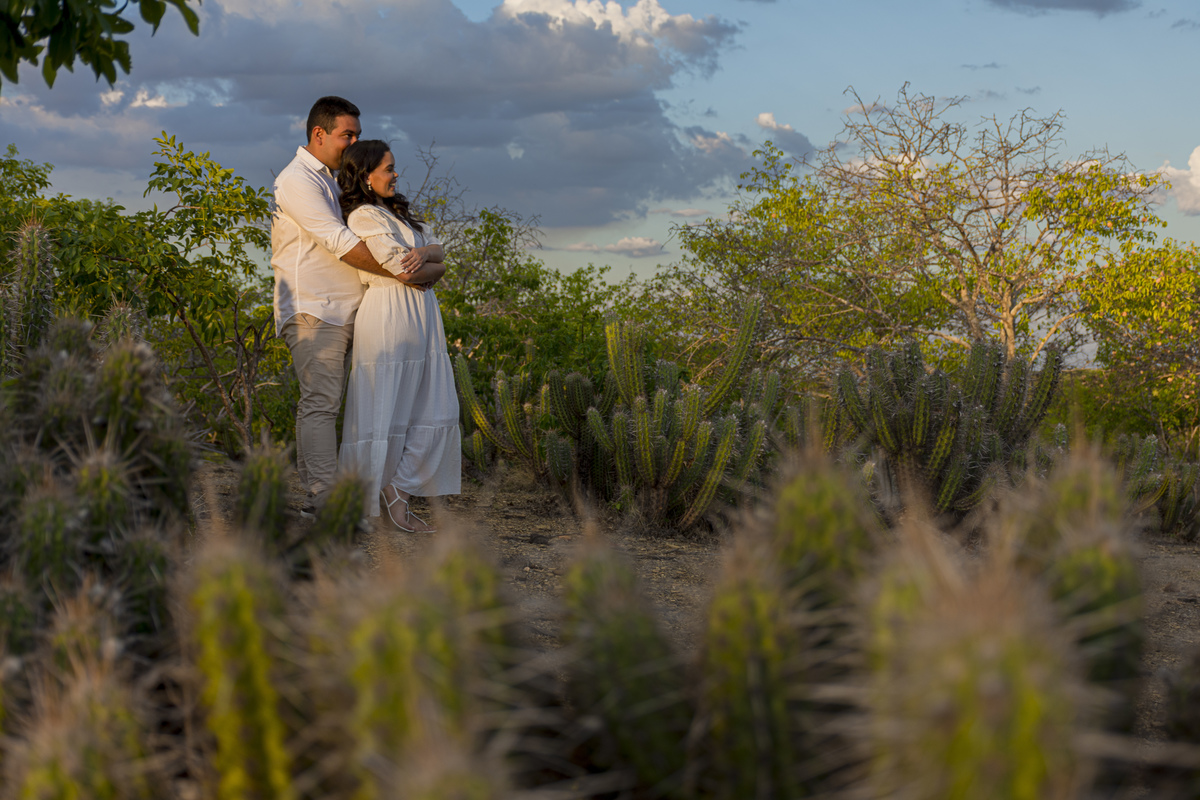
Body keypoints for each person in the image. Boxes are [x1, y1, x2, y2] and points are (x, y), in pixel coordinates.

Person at [272, 97, 425, 514]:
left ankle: (356, 491)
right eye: (347, 135)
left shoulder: (333, 181)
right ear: (318, 134)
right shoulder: (297, 180)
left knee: (355, 404)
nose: (353, 142)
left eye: (356, 134)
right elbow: (339, 243)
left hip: (352, 309)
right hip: (313, 308)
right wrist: (406, 273)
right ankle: (325, 498)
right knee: (321, 403)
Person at [335, 140, 461, 531]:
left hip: (423, 315)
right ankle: (377, 500)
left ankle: (398, 489)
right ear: (367, 177)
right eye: (388, 168)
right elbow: (403, 272)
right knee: (385, 407)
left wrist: (427, 257)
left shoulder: (398, 215)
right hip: (390, 313)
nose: (395, 174)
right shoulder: (364, 217)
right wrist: (429, 265)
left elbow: (438, 255)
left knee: (435, 408)